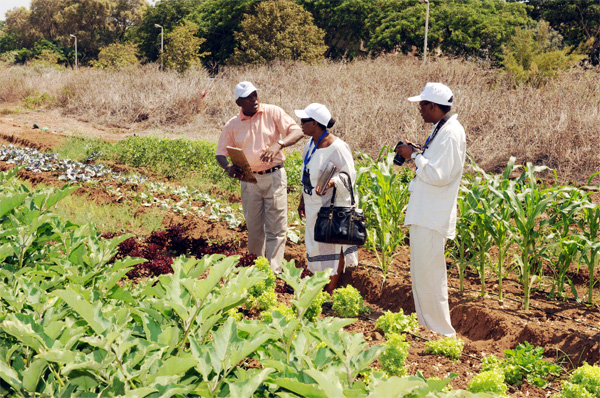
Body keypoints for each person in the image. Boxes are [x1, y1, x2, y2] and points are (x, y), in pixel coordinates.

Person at [395, 82, 466, 336]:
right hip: (425, 214)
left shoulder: (451, 132)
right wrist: (418, 153)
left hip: (432, 216)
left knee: (431, 278)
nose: (420, 110)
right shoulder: (442, 128)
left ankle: (442, 332)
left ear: (434, 106)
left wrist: (414, 156)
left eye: (422, 105)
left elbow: (439, 175)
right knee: (422, 275)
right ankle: (427, 328)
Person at [216, 81, 304, 273]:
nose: (253, 100)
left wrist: (279, 144)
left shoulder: (273, 112)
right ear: (239, 102)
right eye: (248, 97)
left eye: (255, 95)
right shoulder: (232, 124)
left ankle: (273, 271)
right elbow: (220, 153)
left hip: (274, 176)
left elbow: (297, 131)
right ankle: (257, 268)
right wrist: (229, 168)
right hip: (249, 180)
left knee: (276, 226)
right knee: (254, 228)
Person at [295, 103, 358, 294]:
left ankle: (329, 290)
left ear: (315, 123)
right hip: (313, 204)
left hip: (331, 207)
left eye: (304, 121)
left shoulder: (337, 147)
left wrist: (333, 182)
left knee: (332, 246)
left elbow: (349, 176)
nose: (301, 124)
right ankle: (319, 285)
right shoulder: (310, 144)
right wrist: (302, 199)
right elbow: (307, 174)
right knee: (316, 246)